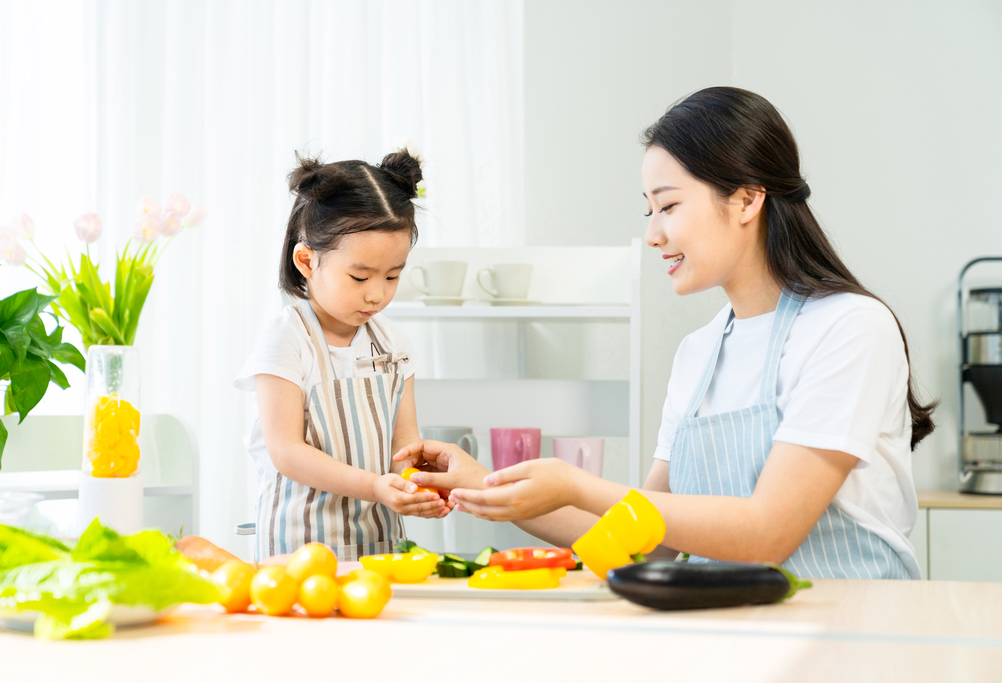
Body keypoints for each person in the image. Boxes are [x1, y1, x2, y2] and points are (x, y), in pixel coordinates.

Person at [396, 87, 935, 580]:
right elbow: (639, 545)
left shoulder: (848, 329)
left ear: (748, 199)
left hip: (852, 637)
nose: (652, 234)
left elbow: (769, 531)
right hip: (733, 632)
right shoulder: (698, 354)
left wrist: (579, 482)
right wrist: (480, 483)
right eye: (649, 210)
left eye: (669, 205)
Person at [235, 150, 447, 562]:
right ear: (306, 261)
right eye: (360, 276)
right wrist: (374, 486)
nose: (376, 293)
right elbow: (287, 452)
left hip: (379, 545)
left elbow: (404, 443)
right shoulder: (286, 339)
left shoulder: (393, 344)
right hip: (298, 550)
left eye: (392, 276)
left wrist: (416, 483)